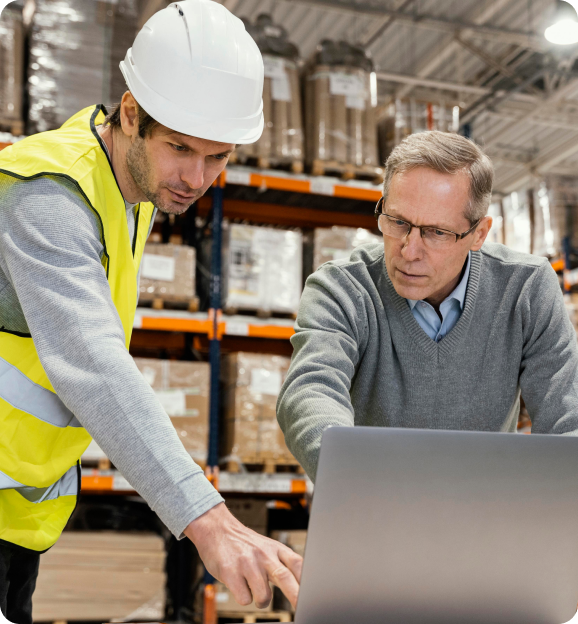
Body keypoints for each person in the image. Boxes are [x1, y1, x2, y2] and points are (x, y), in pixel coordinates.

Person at [0, 2, 301, 622]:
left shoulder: (132, 190)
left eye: (218, 157)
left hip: (18, 515)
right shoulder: (48, 195)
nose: (197, 177)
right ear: (130, 114)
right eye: (182, 148)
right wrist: (211, 521)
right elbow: (92, 362)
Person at [277, 130, 578, 479]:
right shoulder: (342, 288)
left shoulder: (525, 288)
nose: (409, 250)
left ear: (479, 234)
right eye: (398, 222)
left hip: (487, 521)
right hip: (369, 504)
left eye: (436, 232)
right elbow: (311, 390)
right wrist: (352, 474)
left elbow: (568, 420)